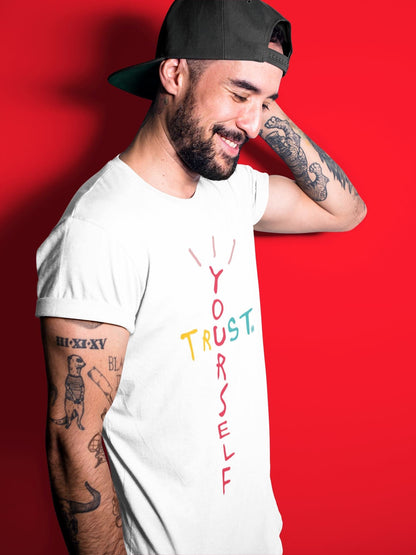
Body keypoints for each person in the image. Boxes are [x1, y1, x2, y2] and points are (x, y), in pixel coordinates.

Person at [36, 1, 366, 554]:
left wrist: (257, 105)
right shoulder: (99, 230)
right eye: (239, 94)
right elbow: (74, 444)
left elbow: (346, 211)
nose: (254, 125)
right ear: (174, 74)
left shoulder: (230, 190)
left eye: (267, 102)